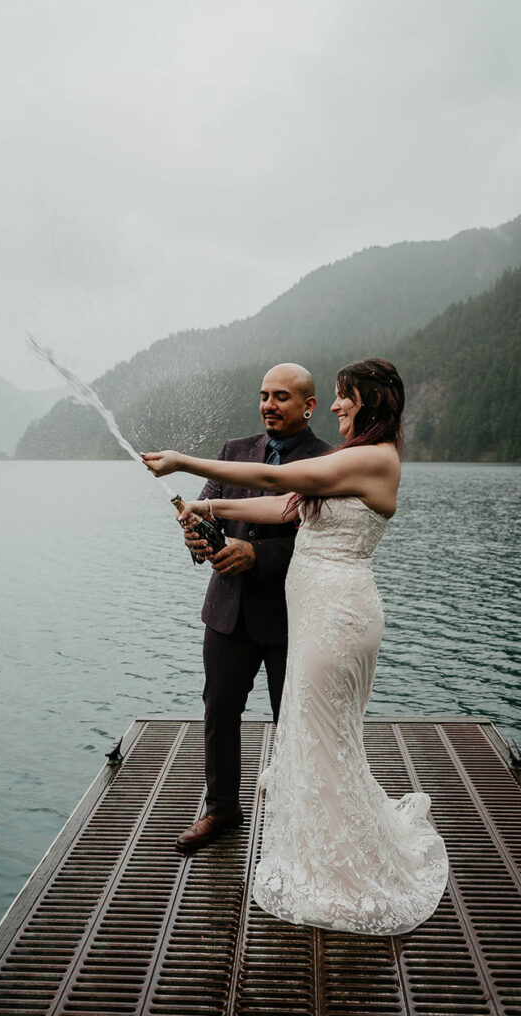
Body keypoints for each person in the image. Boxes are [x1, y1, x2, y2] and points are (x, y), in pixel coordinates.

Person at [142, 358, 448, 935]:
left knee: (319, 732)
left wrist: (181, 461)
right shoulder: (343, 459)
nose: (336, 406)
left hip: (336, 614)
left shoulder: (375, 458)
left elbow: (278, 482)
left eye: (344, 397)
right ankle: (318, 846)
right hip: (312, 610)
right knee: (312, 734)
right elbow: (281, 506)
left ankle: (347, 868)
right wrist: (206, 507)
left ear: (371, 403)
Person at [173, 363, 332, 852]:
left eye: (281, 396)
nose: (268, 405)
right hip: (226, 614)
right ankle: (221, 808)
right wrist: (194, 537)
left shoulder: (329, 461)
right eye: (264, 396)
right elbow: (202, 509)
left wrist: (257, 555)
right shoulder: (232, 453)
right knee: (219, 709)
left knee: (295, 717)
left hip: (290, 617)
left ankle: (298, 811)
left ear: (308, 405)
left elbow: (321, 542)